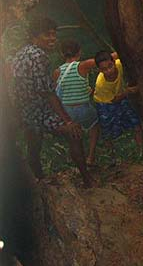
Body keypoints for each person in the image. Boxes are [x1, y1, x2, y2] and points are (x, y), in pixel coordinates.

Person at [10, 17, 94, 187]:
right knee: (74, 134)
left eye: (54, 34)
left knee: (33, 144)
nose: (52, 38)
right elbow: (47, 93)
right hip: (38, 110)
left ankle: (39, 181)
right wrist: (67, 121)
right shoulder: (39, 56)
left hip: (24, 110)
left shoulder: (21, 53)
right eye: (47, 35)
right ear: (35, 36)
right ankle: (87, 181)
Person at [53, 39, 105, 166]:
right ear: (80, 52)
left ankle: (77, 159)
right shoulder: (83, 65)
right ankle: (91, 156)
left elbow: (56, 93)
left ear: (62, 54)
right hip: (83, 109)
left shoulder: (57, 72)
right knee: (95, 124)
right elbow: (105, 59)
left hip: (66, 111)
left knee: (74, 135)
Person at [93, 51, 143, 161]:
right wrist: (128, 91)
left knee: (135, 121)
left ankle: (141, 152)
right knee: (107, 130)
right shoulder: (101, 84)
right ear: (99, 70)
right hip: (105, 103)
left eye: (110, 66)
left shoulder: (121, 64)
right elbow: (114, 99)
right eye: (104, 69)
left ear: (114, 62)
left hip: (121, 95)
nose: (108, 71)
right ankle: (111, 157)